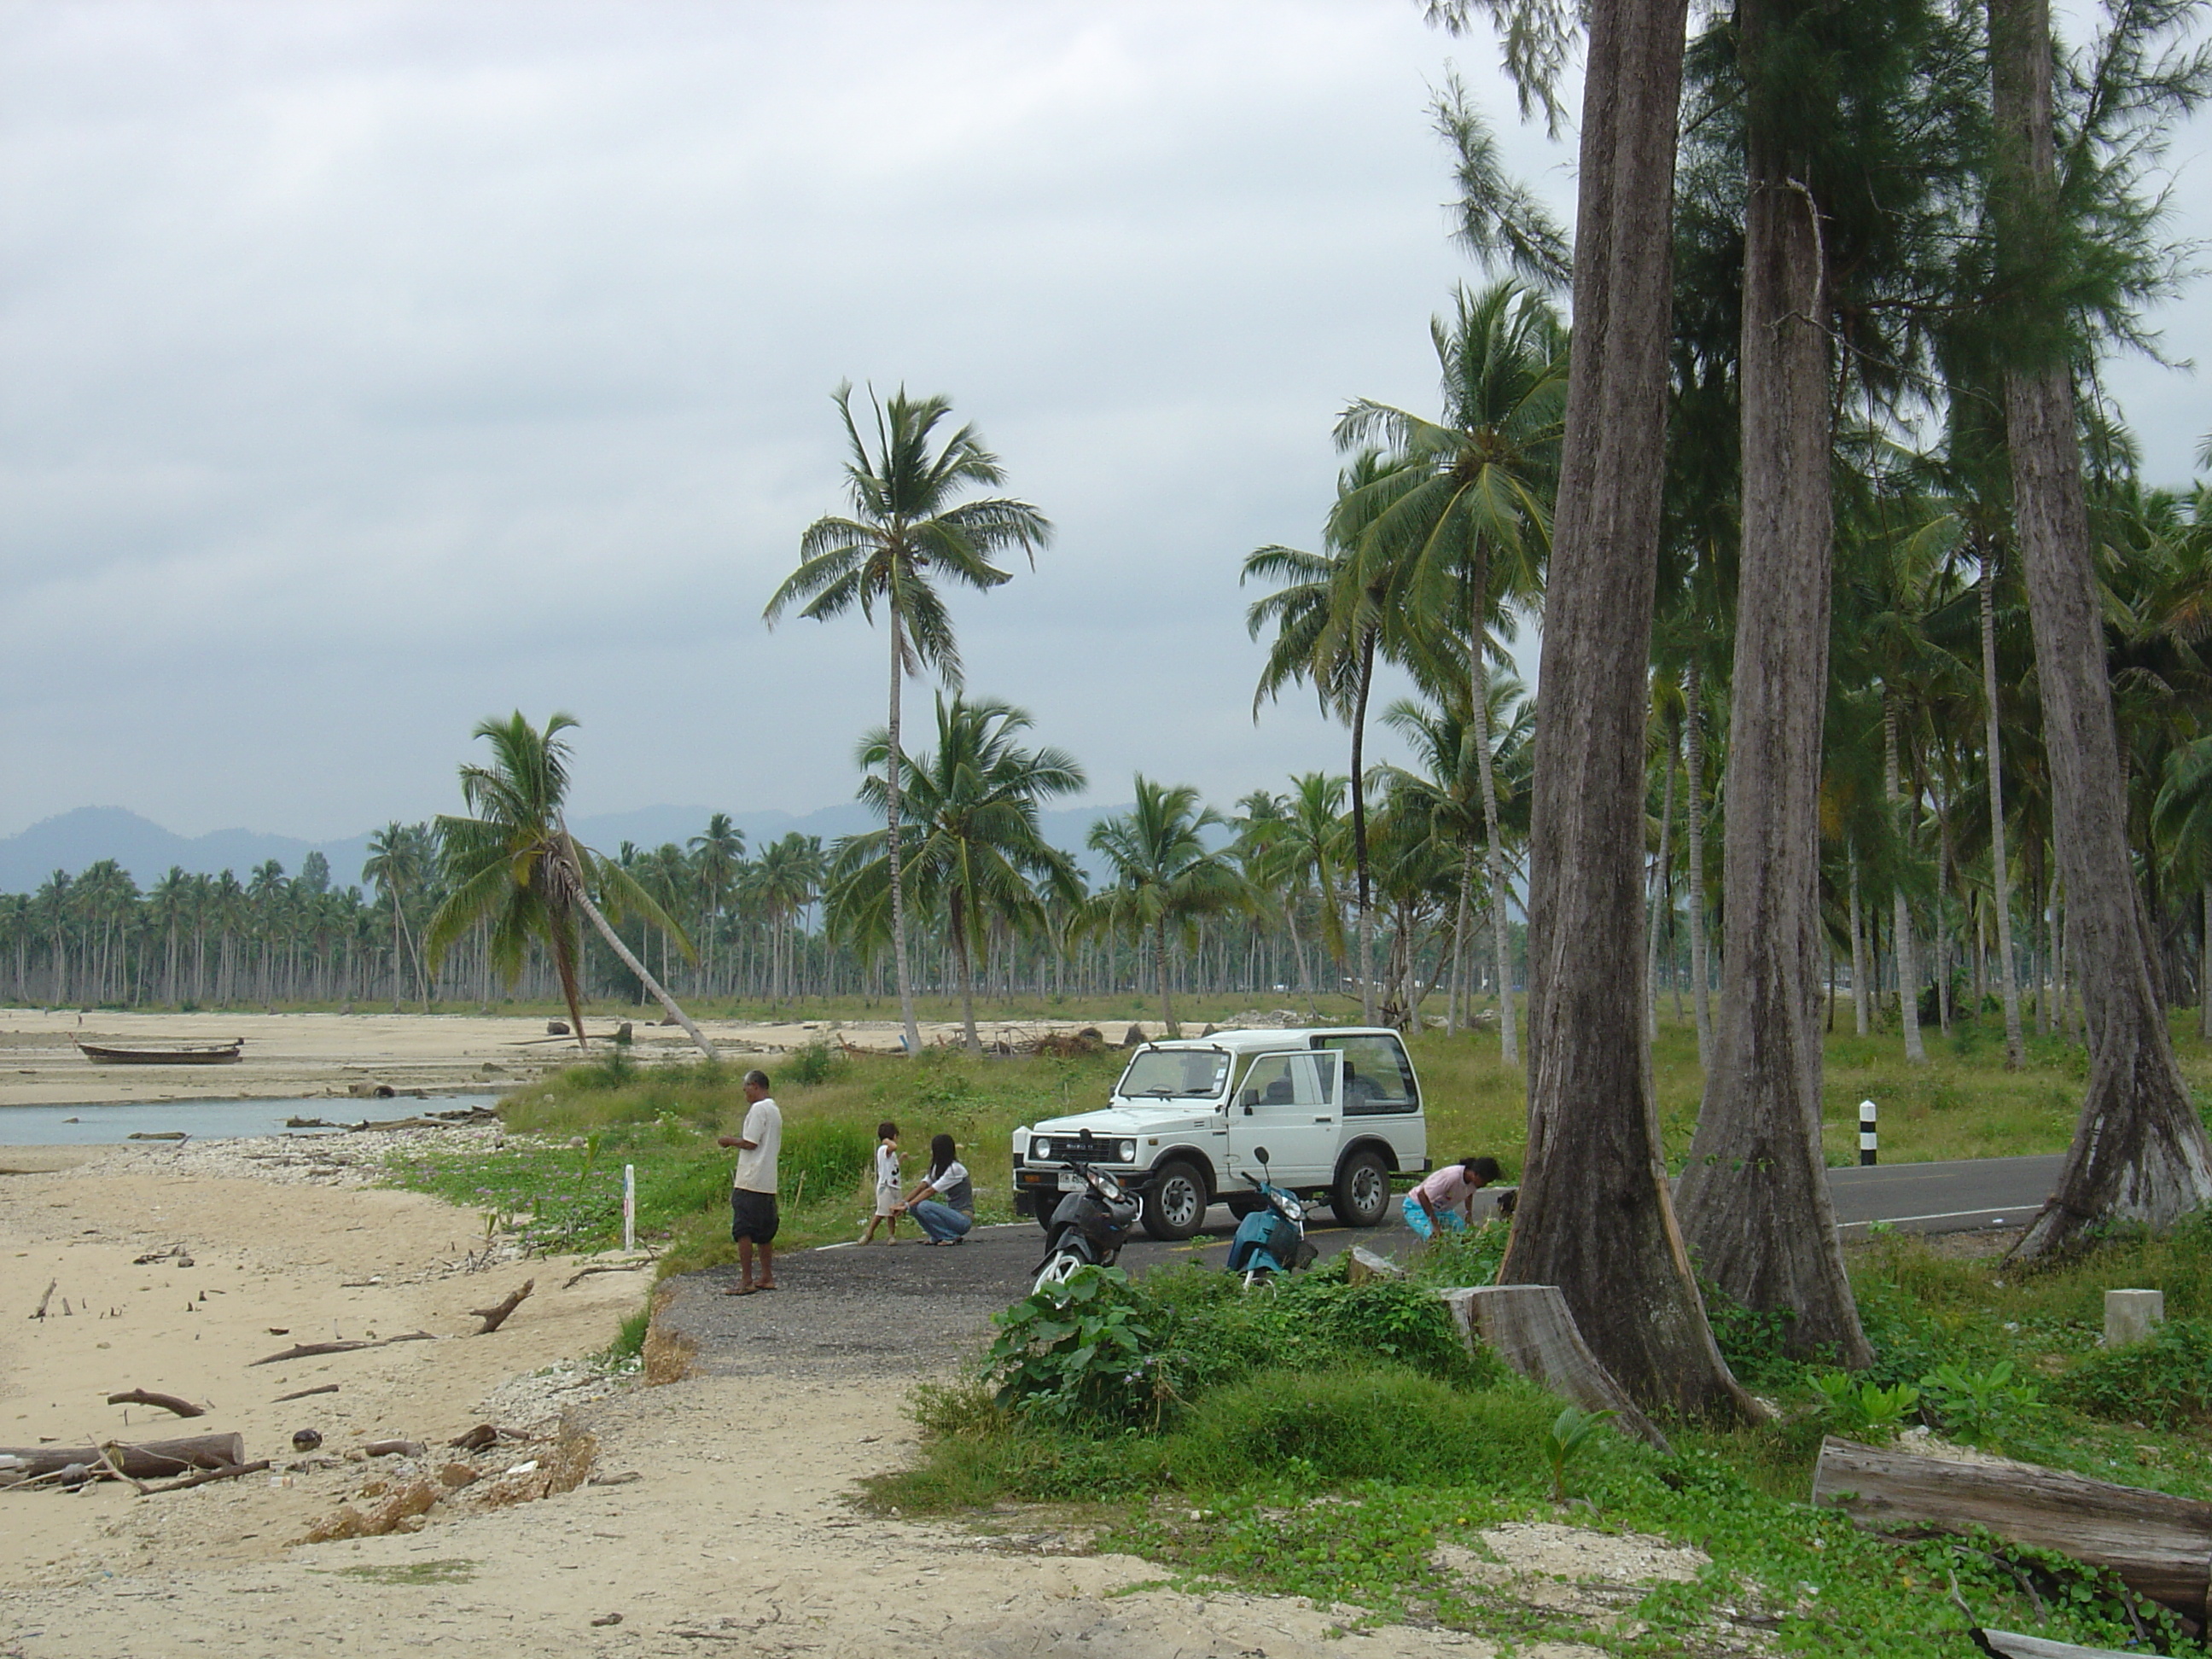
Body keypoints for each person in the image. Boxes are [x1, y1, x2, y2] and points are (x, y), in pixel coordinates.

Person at [716, 1069, 782, 1293]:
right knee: (764, 1230)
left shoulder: (758, 1109)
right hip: (768, 1180)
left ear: (754, 1086)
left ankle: (746, 1280)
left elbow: (751, 1142)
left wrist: (729, 1141)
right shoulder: (774, 1109)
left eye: (746, 1090)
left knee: (743, 1228)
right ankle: (766, 1276)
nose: (746, 1095)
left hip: (750, 1179)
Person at [898, 1133, 974, 1244]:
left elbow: (930, 1191)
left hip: (962, 1219)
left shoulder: (955, 1169)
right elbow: (923, 1185)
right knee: (914, 1207)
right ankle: (937, 1236)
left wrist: (906, 1206)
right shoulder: (938, 1168)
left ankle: (950, 1237)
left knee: (924, 1206)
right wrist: (903, 1203)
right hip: (951, 1215)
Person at [1401, 1155, 1502, 1240]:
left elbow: (1469, 1193)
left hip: (1441, 1210)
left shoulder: (1474, 1182)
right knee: (1435, 1238)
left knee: (1466, 1236)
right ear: (1475, 1174)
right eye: (1484, 1181)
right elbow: (1422, 1195)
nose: (1484, 1185)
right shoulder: (1450, 1177)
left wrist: (1468, 1213)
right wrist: (1435, 1224)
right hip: (1418, 1206)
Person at [859, 1121, 902, 1244]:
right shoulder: (884, 1149)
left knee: (891, 1213)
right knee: (881, 1211)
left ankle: (891, 1235)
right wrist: (887, 1141)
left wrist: (902, 1158)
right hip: (886, 1185)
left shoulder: (890, 1153)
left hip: (894, 1185)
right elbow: (893, 1147)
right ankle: (869, 1233)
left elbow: (893, 1168)